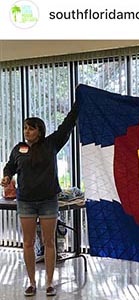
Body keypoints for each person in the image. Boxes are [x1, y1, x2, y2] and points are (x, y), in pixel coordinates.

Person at [0, 98, 78, 297]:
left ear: (40, 131)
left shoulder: (51, 144)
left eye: (31, 128)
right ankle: (32, 282)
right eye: (25, 128)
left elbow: (67, 125)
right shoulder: (18, 149)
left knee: (49, 241)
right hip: (25, 201)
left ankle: (50, 283)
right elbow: (10, 165)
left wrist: (79, 102)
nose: (27, 131)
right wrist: (7, 175)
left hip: (48, 200)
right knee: (27, 243)